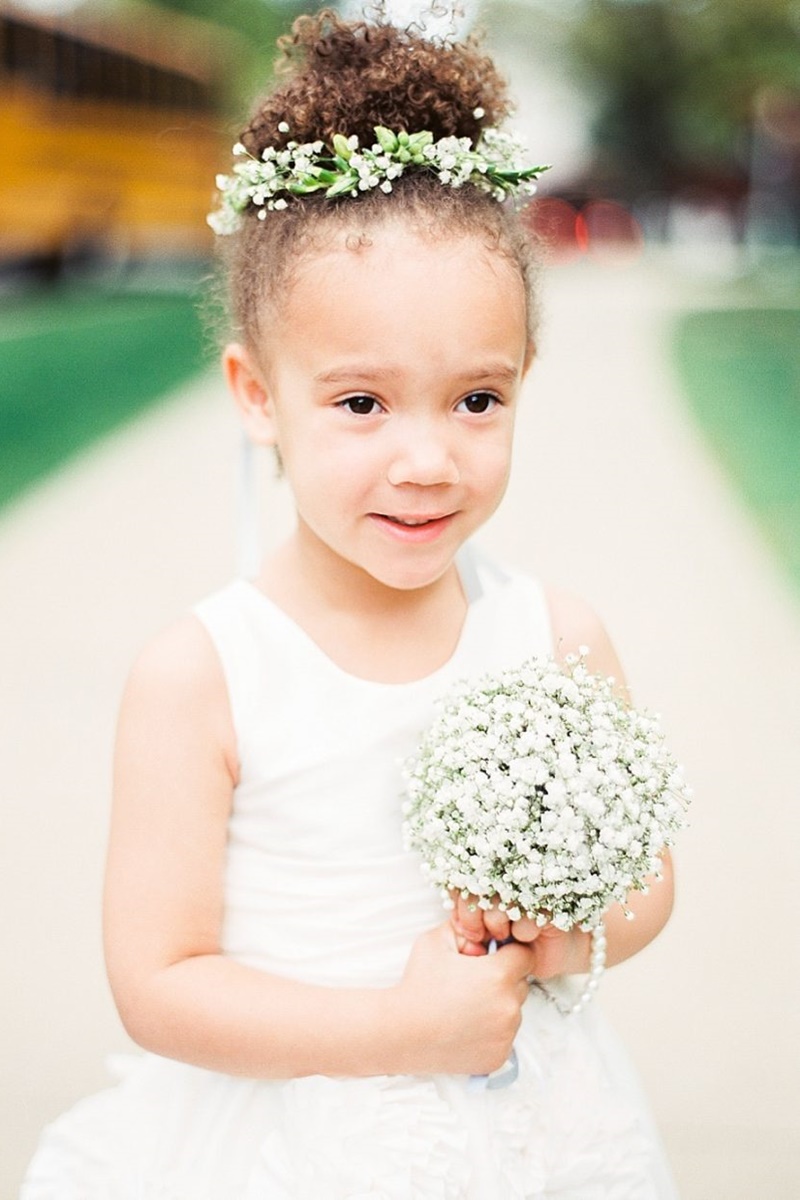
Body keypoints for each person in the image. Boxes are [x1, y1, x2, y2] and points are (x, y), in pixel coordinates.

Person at [22, 10, 679, 1197]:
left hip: (530, 1128)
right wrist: (403, 1031)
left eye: (474, 401)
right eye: (361, 404)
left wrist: (551, 937)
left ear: (523, 376)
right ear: (257, 394)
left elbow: (643, 887)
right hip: (293, 1142)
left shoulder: (555, 636)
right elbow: (159, 982)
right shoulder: (203, 675)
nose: (425, 459)